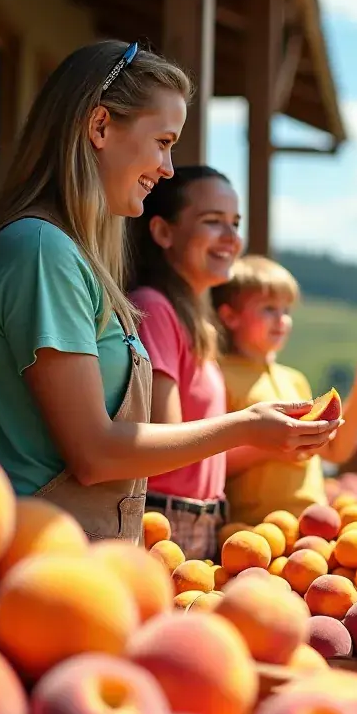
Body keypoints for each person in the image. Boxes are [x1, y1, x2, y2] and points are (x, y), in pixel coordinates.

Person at [0, 40, 341, 543]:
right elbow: (94, 454)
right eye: (163, 141)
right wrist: (246, 427)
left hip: (73, 552)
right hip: (46, 556)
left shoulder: (64, 252)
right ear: (99, 127)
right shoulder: (43, 249)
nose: (168, 168)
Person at [211, 255, 357, 525]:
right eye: (268, 309)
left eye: (286, 310)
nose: (281, 320)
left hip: (312, 525)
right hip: (254, 530)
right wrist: (270, 448)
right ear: (230, 316)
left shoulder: (295, 380)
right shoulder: (218, 376)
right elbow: (206, 462)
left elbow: (336, 451)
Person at [127, 166, 241, 558]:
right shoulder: (154, 308)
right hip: (166, 524)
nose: (231, 237)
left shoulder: (191, 318)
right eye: (213, 222)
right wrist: (249, 427)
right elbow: (165, 441)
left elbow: (196, 456)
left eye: (235, 223)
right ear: (162, 232)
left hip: (196, 521)